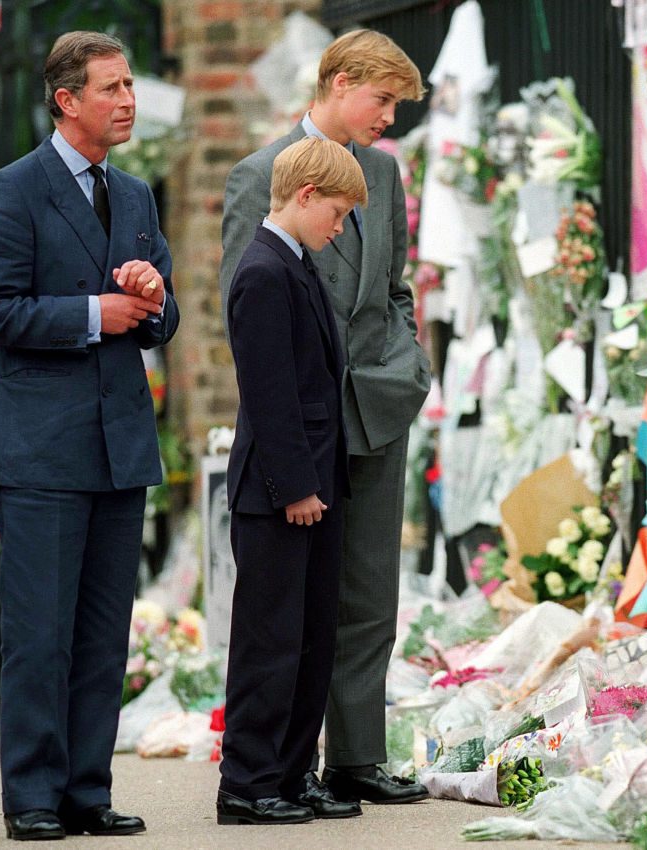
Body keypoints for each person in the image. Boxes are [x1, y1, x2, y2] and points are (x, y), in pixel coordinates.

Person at [0, 31, 179, 841]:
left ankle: (89, 789)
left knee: (101, 634)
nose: (128, 101)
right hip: (40, 449)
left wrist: (153, 295)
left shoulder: (137, 197)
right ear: (67, 101)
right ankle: (34, 797)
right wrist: (95, 314)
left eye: (130, 86)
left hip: (120, 443)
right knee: (39, 634)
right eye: (113, 88)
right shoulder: (11, 192)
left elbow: (164, 320)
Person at [220, 28, 431, 806]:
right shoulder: (261, 175)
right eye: (382, 100)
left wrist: (409, 365)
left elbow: (397, 285)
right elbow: (246, 302)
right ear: (339, 83)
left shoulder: (384, 173)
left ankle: (355, 756)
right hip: (306, 416)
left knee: (370, 589)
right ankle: (279, 770)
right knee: (290, 604)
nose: (389, 119)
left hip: (379, 405)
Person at [217, 136, 367, 826]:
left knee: (312, 636)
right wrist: (296, 486)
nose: (339, 229)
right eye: (335, 213)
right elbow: (270, 393)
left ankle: (292, 770)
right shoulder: (262, 271)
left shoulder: (297, 263)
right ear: (305, 196)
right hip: (281, 489)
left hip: (315, 483)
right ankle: (247, 782)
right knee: (270, 637)